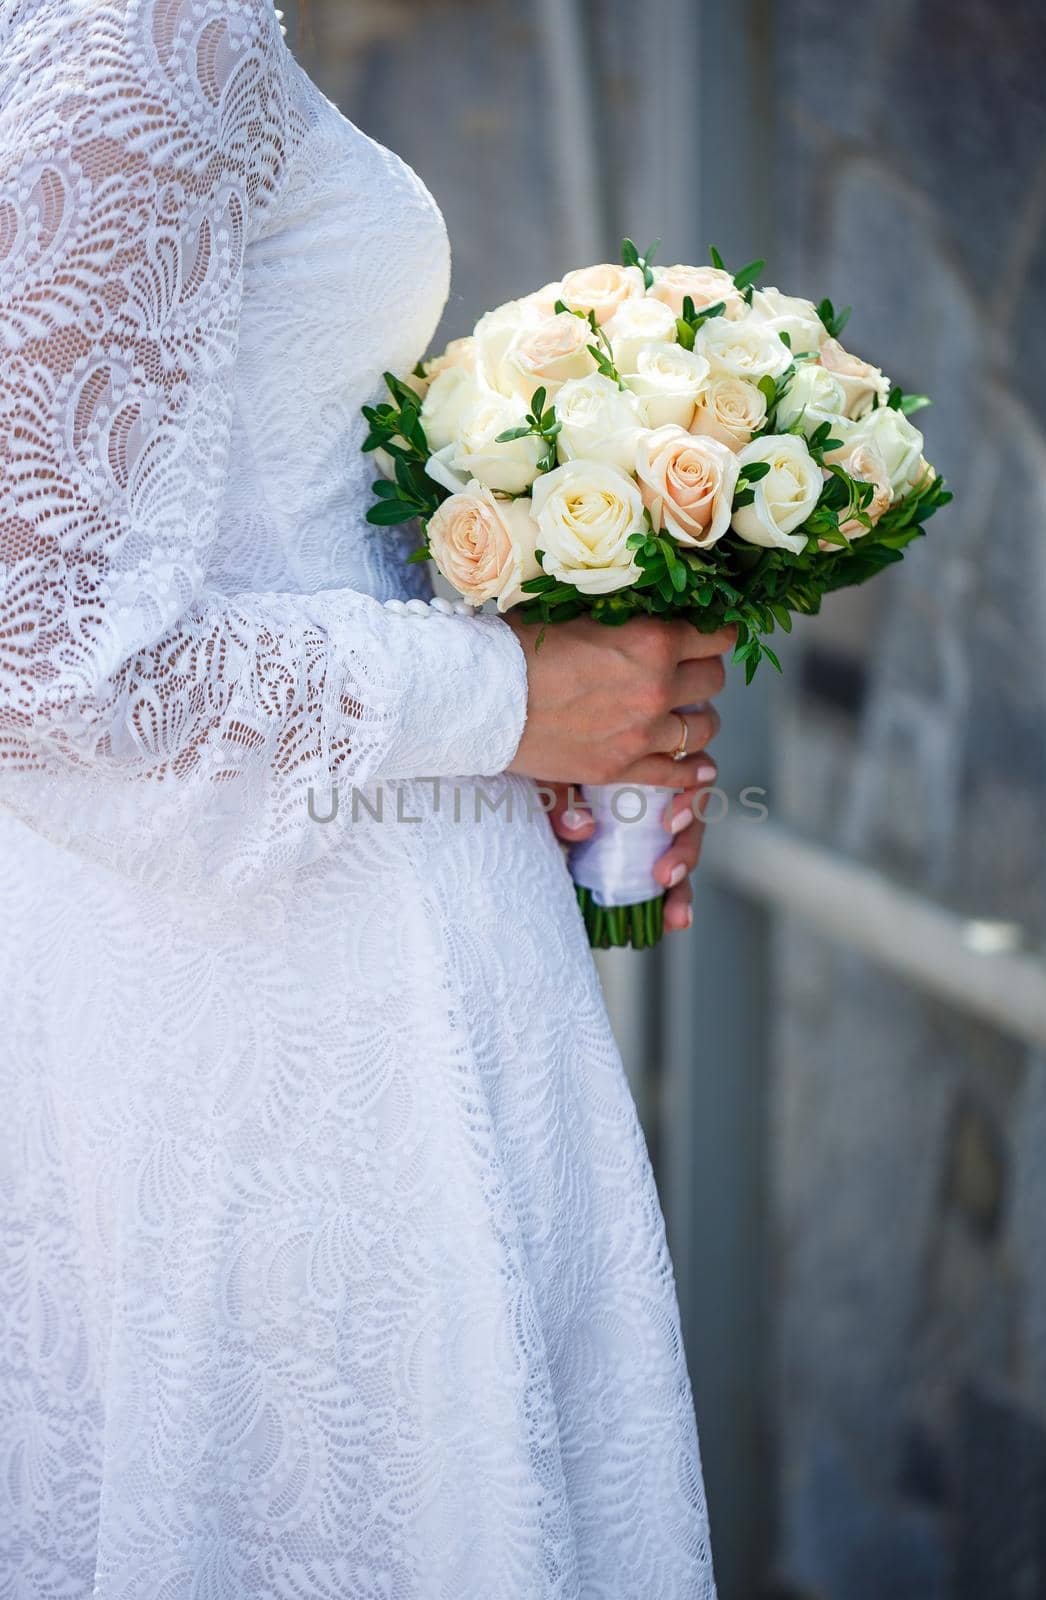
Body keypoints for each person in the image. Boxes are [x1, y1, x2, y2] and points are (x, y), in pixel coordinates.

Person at [0, 3, 728, 1593]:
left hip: (232, 931)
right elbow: (50, 670)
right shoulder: (148, 26)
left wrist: (549, 666)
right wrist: (513, 698)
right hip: (288, 1001)